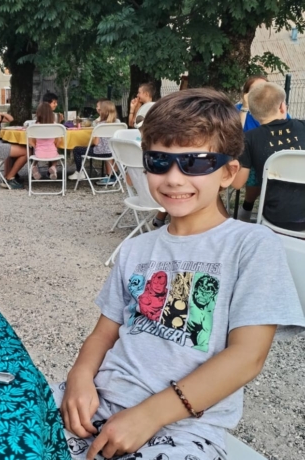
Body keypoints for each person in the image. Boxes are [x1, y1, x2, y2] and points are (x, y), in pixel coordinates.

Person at [53, 88, 305, 460]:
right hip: (99, 401)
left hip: (185, 426)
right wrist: (79, 376)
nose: (173, 178)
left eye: (197, 162)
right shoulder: (137, 249)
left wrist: (149, 415)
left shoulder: (251, 245)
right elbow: (104, 333)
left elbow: (247, 356)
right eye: (159, 161)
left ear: (228, 173)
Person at [232, 82, 305, 231]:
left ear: (252, 112)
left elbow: (237, 184)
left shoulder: (249, 138)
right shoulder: (302, 126)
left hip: (277, 218)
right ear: (282, 107)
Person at [235, 75, 268, 221]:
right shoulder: (237, 109)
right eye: (255, 90)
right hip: (245, 155)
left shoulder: (275, 109)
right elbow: (235, 135)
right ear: (246, 93)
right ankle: (248, 207)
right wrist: (245, 108)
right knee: (256, 167)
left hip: (268, 154)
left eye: (264, 88)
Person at [68, 100, 118, 185]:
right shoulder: (117, 123)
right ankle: (112, 174)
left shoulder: (100, 125)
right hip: (113, 152)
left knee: (77, 149)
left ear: (102, 111)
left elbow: (96, 143)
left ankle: (79, 172)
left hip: (100, 152)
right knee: (86, 149)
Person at [27, 102, 62, 180]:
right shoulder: (55, 125)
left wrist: (36, 146)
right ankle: (53, 167)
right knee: (56, 153)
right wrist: (55, 147)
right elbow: (59, 140)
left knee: (35, 152)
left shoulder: (35, 126)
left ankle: (34, 166)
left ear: (38, 113)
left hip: (39, 153)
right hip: (52, 153)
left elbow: (30, 141)